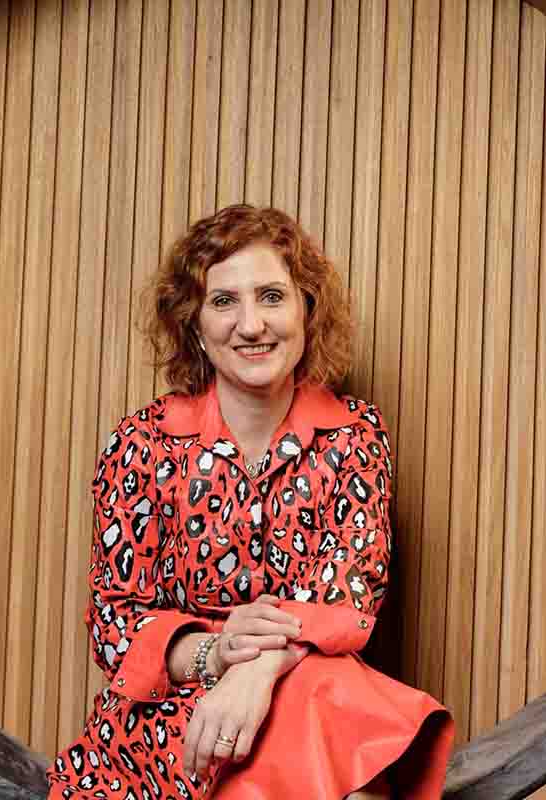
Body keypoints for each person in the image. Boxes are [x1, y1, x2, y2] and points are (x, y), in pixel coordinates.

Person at [47, 204, 454, 800]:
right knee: (344, 723)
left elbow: (348, 594)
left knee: (328, 694)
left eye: (271, 297)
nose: (251, 324)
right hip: (174, 721)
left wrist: (258, 671)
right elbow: (116, 621)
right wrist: (217, 656)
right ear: (194, 325)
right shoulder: (142, 444)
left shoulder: (355, 435)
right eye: (223, 301)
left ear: (307, 311)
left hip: (309, 691)